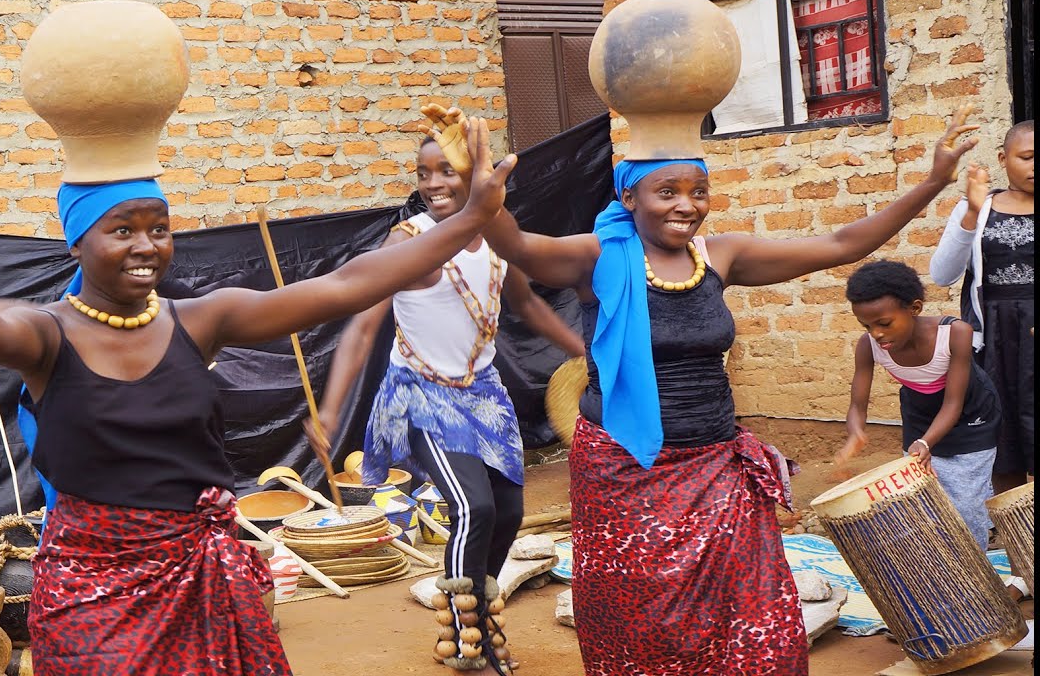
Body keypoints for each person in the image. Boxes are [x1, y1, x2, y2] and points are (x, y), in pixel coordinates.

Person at [0, 117, 516, 676]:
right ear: (78, 240)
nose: (146, 246)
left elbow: (348, 284)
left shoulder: (199, 321)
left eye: (160, 228)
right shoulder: (45, 336)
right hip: (94, 593)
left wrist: (471, 218)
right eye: (122, 230)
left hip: (206, 580)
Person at [423, 103, 979, 675]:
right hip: (624, 471)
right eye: (667, 192)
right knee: (641, 616)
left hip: (717, 464)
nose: (686, 205)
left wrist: (934, 180)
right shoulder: (597, 258)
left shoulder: (721, 256)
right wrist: (473, 185)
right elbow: (516, 245)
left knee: (759, 615)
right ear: (630, 198)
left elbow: (842, 243)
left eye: (698, 190)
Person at [309, 136, 584, 675]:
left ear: (482, 175)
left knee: (508, 512)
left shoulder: (501, 242)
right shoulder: (407, 242)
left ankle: (479, 611)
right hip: (419, 395)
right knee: (473, 506)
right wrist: (330, 410)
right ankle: (466, 638)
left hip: (485, 398)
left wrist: (587, 354)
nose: (432, 183)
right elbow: (363, 325)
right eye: (423, 172)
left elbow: (527, 302)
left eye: (447, 171)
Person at [837, 258, 1000, 549]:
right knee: (924, 493)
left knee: (964, 502)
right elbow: (857, 405)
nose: (876, 333)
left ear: (914, 308)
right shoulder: (868, 345)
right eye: (866, 325)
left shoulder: (955, 333)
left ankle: (975, 567)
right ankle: (940, 560)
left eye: (884, 323)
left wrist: (926, 442)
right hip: (920, 413)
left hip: (972, 415)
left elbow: (953, 403)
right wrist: (855, 432)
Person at [929, 121, 1033, 498]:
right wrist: (971, 214)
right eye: (1027, 157)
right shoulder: (977, 207)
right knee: (1003, 436)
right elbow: (942, 274)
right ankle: (1014, 529)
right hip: (995, 341)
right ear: (1004, 160)